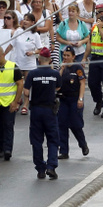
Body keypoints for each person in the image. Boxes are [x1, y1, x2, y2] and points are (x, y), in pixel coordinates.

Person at [23, 47, 61, 180]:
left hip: (36, 110)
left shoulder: (32, 74)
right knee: (52, 139)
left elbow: (26, 92)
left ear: (39, 60)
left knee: (37, 140)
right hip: (50, 110)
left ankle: (40, 169)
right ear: (50, 60)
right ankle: (51, 166)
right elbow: (58, 87)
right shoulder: (55, 74)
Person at [56, 47, 89, 159]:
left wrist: (80, 99)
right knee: (62, 124)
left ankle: (83, 144)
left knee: (75, 124)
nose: (65, 57)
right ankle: (63, 151)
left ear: (73, 57)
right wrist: (61, 69)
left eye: (68, 55)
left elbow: (82, 83)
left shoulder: (77, 68)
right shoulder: (62, 69)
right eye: (64, 55)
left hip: (75, 99)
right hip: (64, 100)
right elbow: (57, 84)